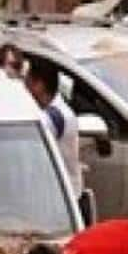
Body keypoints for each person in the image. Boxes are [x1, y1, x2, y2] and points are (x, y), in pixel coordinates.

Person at [26, 60, 82, 189]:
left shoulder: (52, 118)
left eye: (27, 81)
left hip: (60, 195)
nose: (25, 86)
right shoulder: (61, 110)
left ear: (39, 85)